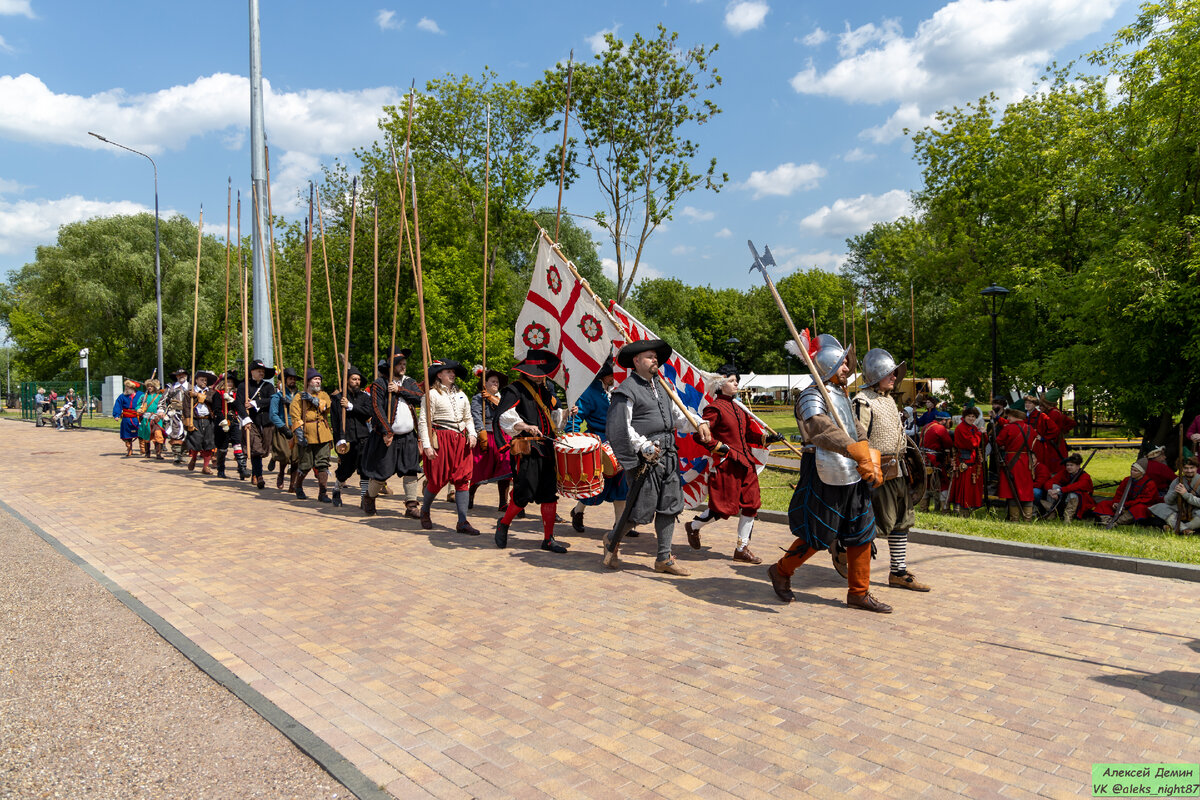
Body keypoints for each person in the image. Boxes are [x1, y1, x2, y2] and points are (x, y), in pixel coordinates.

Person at [766, 334, 890, 613]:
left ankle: (859, 592)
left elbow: (856, 429)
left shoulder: (841, 395)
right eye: (842, 364)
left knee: (862, 530)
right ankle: (781, 571)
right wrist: (854, 450)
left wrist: (871, 458)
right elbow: (820, 429)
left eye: (847, 364)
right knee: (818, 533)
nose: (848, 368)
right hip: (824, 470)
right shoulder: (811, 395)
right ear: (827, 366)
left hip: (854, 471)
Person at [602, 339, 712, 575]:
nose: (655, 361)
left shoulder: (663, 387)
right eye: (650, 357)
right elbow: (621, 427)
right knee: (639, 511)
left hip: (669, 455)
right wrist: (643, 446)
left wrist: (699, 423)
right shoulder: (625, 391)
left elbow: (679, 417)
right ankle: (611, 539)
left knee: (669, 507)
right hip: (645, 460)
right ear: (636, 361)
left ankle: (664, 559)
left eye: (656, 357)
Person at [840, 348, 928, 591]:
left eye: (894, 373)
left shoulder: (889, 399)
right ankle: (856, 569)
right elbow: (858, 440)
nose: (894, 377)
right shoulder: (862, 401)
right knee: (876, 523)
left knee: (902, 521)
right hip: (876, 472)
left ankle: (898, 572)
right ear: (877, 374)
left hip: (898, 469)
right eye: (890, 373)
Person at [683, 364, 778, 564]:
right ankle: (693, 527)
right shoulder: (714, 409)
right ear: (720, 383)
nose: (736, 384)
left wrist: (768, 439)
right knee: (723, 509)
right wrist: (719, 447)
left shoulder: (739, 408)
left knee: (752, 505)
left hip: (746, 464)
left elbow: (749, 435)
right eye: (732, 381)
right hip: (727, 464)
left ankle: (742, 548)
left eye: (737, 381)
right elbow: (700, 436)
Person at [493, 349, 570, 553]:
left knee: (548, 494)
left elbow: (554, 419)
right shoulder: (514, 390)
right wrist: (524, 426)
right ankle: (504, 524)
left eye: (541, 372)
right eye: (535, 372)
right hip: (526, 449)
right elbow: (504, 416)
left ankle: (548, 538)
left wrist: (566, 413)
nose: (539, 376)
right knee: (523, 493)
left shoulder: (547, 392)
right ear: (525, 371)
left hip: (546, 448)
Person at [565, 361, 630, 535]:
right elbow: (576, 418)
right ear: (604, 376)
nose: (614, 378)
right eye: (611, 375)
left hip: (620, 444)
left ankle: (619, 525)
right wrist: (573, 439)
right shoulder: (589, 393)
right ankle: (578, 512)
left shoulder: (616, 391)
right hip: (599, 444)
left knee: (621, 486)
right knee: (593, 485)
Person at [360, 348, 424, 517]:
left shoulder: (409, 382)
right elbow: (376, 408)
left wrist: (399, 390)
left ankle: (411, 506)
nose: (403, 367)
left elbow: (420, 397)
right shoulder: (379, 384)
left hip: (409, 436)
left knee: (411, 470)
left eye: (404, 363)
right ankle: (369, 497)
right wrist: (387, 431)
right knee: (382, 473)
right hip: (387, 436)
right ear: (391, 365)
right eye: (399, 364)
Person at [417, 359, 478, 534]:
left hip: (460, 441)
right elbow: (424, 422)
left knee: (462, 480)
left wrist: (472, 433)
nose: (452, 375)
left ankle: (462, 521)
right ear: (439, 375)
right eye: (448, 372)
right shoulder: (431, 395)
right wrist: (427, 445)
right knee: (436, 481)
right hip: (441, 440)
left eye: (453, 372)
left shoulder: (461, 394)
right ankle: (425, 510)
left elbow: (468, 418)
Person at [286, 368, 334, 502]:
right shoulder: (299, 397)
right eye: (315, 379)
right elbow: (295, 415)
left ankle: (323, 492)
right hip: (307, 432)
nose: (318, 382)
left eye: (319, 379)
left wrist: (314, 400)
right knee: (305, 464)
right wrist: (299, 433)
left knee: (323, 463)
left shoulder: (323, 395)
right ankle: (298, 486)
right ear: (308, 382)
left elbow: (327, 407)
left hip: (323, 433)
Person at [468, 368, 512, 511]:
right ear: (484, 383)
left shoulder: (504, 399)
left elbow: (508, 412)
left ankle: (503, 502)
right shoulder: (477, 398)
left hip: (502, 436)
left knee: (506, 469)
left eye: (497, 382)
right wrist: (481, 433)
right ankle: (469, 496)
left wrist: (492, 399)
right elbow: (476, 416)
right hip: (486, 436)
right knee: (479, 469)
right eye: (492, 381)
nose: (496, 384)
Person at [329, 366, 372, 506]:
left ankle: (363, 498)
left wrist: (351, 407)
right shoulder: (337, 399)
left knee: (365, 469)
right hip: (347, 438)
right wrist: (339, 438)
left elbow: (368, 412)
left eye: (359, 379)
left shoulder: (364, 397)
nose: (357, 382)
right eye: (354, 379)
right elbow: (336, 421)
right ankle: (337, 490)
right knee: (346, 468)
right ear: (347, 381)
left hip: (363, 437)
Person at [235, 359, 276, 490]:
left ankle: (255, 472)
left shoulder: (268, 387)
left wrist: (255, 403)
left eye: (263, 371)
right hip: (251, 422)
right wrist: (245, 418)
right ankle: (259, 476)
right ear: (252, 371)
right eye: (259, 371)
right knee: (256, 450)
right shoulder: (244, 386)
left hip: (267, 422)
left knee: (264, 450)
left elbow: (273, 400)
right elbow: (239, 404)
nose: (261, 373)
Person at [995, 398, 1037, 522]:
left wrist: (1005, 446)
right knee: (1026, 489)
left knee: (1012, 488)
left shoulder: (1009, 428)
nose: (1008, 419)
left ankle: (1014, 518)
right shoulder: (1030, 428)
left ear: (1014, 416)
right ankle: (1027, 518)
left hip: (1013, 460)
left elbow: (998, 441)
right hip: (1027, 461)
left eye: (1009, 416)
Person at [1090, 459, 1159, 527]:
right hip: (1123, 505)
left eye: (1135, 471)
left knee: (1139, 509)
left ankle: (1117, 522)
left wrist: (1125, 505)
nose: (1132, 472)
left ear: (1142, 472)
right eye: (1131, 469)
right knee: (1104, 504)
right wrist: (1116, 503)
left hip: (1136, 505)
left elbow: (1145, 500)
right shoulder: (1127, 480)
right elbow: (1119, 493)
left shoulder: (1150, 484)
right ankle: (1107, 520)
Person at [947, 406, 985, 515]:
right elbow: (972, 443)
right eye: (969, 416)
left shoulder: (972, 427)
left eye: (973, 416)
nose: (971, 418)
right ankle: (960, 508)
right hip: (964, 460)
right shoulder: (961, 428)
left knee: (970, 485)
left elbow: (981, 442)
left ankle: (969, 507)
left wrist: (982, 434)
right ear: (965, 416)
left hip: (973, 460)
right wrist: (979, 434)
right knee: (962, 485)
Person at [211, 371, 249, 480]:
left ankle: (242, 469)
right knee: (222, 448)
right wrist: (222, 420)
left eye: (231, 382)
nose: (230, 384)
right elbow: (217, 410)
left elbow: (239, 407)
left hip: (234, 421)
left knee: (237, 444)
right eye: (228, 382)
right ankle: (221, 469)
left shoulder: (236, 395)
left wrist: (232, 400)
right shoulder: (218, 394)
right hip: (222, 422)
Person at [268, 367, 300, 490]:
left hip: (297, 427)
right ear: (285, 380)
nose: (293, 381)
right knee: (286, 455)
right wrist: (282, 427)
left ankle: (293, 483)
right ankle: (281, 472)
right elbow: (273, 414)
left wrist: (291, 404)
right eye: (290, 379)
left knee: (296, 458)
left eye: (294, 379)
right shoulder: (277, 396)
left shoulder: (299, 396)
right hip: (283, 428)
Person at [1026, 392, 1073, 474]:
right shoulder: (1054, 411)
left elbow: (1055, 429)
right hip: (1053, 441)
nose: (1041, 406)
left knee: (1055, 466)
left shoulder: (1053, 413)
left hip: (1053, 443)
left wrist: (1045, 437)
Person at [1150, 457, 1200, 533]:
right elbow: (1167, 501)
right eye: (1186, 468)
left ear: (1196, 468)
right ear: (1181, 469)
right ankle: (1184, 530)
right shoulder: (1177, 481)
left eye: (1192, 468)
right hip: (1180, 511)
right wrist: (1175, 492)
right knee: (1160, 507)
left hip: (1196, 512)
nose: (1189, 471)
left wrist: (1185, 494)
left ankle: (1180, 528)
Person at [1040, 452, 1094, 522]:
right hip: (1065, 494)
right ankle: (1052, 514)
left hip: (1082, 499)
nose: (1068, 467)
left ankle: (1068, 517)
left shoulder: (1085, 476)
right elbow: (1050, 482)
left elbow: (1076, 486)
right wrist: (1050, 490)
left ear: (1078, 466)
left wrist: (1059, 490)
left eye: (1071, 465)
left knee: (1073, 495)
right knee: (1053, 488)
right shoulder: (1064, 473)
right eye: (1067, 465)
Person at [184, 370, 218, 475]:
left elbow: (214, 402)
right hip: (195, 419)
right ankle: (193, 458)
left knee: (208, 443)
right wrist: (188, 421)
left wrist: (200, 395)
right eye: (201, 380)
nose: (203, 382)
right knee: (196, 441)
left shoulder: (211, 392)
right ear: (196, 380)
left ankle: (205, 466)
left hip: (208, 419)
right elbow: (186, 407)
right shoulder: (188, 392)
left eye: (205, 380)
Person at [920, 410, 954, 512]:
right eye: (948, 421)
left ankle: (924, 507)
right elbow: (948, 443)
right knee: (943, 482)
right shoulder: (940, 428)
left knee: (927, 483)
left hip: (924, 458)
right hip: (935, 460)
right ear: (944, 420)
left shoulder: (927, 426)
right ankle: (945, 509)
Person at [164, 368, 191, 464]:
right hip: (175, 413)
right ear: (176, 376)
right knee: (175, 433)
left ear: (186, 376)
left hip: (188, 414)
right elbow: (163, 400)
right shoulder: (171, 387)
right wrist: (161, 411)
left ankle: (183, 454)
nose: (181, 376)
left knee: (187, 434)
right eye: (179, 375)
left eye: (183, 375)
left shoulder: (191, 387)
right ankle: (176, 454)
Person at [136, 379, 166, 459]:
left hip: (157, 419)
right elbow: (138, 405)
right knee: (147, 436)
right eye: (148, 386)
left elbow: (164, 406)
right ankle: (147, 453)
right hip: (146, 419)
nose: (149, 387)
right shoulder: (144, 396)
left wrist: (162, 413)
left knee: (158, 436)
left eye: (151, 386)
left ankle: (158, 453)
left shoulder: (160, 396)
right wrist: (138, 409)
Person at [113, 380, 141, 456]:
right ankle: (129, 450)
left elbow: (145, 404)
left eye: (127, 387)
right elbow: (118, 405)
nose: (126, 388)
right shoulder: (122, 396)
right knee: (126, 435)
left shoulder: (141, 395)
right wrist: (116, 415)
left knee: (141, 434)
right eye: (125, 386)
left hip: (137, 418)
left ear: (132, 387)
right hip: (126, 418)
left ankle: (143, 449)